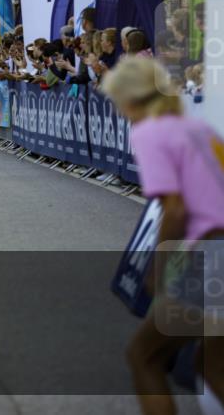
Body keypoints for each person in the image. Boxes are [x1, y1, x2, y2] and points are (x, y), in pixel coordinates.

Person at [101, 57, 224, 415]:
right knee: (211, 367)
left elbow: (175, 208)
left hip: (211, 255)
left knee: (145, 357)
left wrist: (161, 267)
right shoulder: (197, 128)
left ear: (129, 99)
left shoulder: (150, 132)